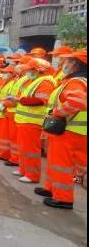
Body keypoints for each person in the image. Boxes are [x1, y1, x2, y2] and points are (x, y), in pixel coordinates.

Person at [36, 49, 87, 210]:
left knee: (62, 165)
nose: (64, 63)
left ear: (76, 64)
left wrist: (56, 113)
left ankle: (63, 198)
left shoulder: (76, 82)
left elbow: (77, 102)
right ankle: (51, 188)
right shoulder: (75, 80)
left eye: (68, 61)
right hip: (70, 131)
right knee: (55, 161)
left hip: (68, 131)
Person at [14, 58, 56, 184]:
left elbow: (40, 101)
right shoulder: (35, 80)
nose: (28, 71)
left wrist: (19, 100)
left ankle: (32, 175)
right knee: (24, 148)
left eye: (30, 69)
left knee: (31, 150)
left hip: (32, 121)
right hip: (25, 120)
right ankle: (23, 170)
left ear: (38, 70)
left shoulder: (46, 82)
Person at [0, 65, 18, 162]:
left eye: (5, 72)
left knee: (9, 137)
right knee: (4, 136)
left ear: (11, 74)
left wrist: (3, 105)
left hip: (7, 112)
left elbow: (11, 99)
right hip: (4, 112)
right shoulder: (7, 82)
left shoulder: (12, 83)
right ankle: (4, 154)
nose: (3, 74)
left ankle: (10, 156)